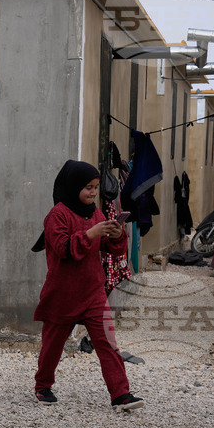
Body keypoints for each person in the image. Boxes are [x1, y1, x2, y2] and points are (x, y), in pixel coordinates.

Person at [32, 160, 144, 412]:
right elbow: (62, 248)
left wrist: (116, 236)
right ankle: (42, 386)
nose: (93, 193)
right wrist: (92, 234)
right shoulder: (57, 215)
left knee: (108, 343)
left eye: (95, 187)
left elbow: (111, 249)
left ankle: (120, 394)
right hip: (62, 294)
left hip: (93, 292)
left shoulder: (95, 213)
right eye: (88, 188)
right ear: (73, 187)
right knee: (53, 346)